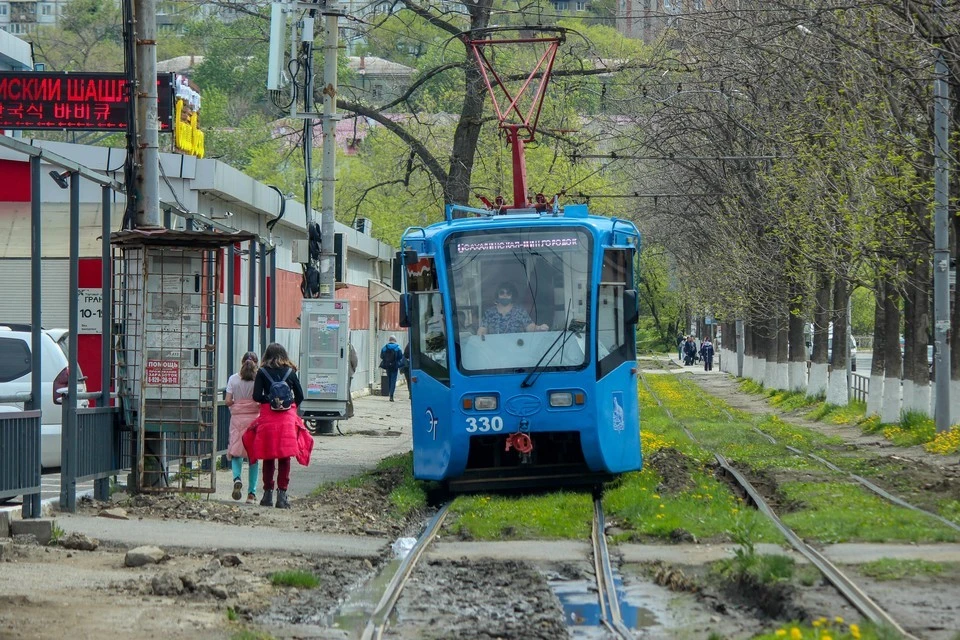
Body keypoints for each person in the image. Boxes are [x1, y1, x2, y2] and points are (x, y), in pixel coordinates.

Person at [245, 343, 306, 509]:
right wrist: (289, 406)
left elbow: (257, 396)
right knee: (285, 457)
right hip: (287, 420)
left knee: (269, 456)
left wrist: (271, 401)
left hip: (268, 419)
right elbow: (300, 395)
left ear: (266, 355)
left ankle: (267, 495)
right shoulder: (291, 372)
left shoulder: (262, 373)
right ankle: (282, 495)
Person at [225, 352, 261, 504]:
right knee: (253, 455)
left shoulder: (233, 379)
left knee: (236, 451)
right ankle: (251, 494)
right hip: (253, 420)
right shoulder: (258, 380)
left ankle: (237, 478)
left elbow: (227, 401)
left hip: (237, 420)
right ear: (256, 363)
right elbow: (260, 400)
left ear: (242, 362)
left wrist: (237, 405)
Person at [477, 282, 548, 336]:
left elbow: (529, 326)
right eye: (502, 293)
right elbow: (483, 329)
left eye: (508, 293)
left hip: (516, 348)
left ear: (512, 295)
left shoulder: (520, 311)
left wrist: (539, 328)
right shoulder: (489, 313)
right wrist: (480, 334)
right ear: (497, 295)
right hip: (494, 350)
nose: (505, 295)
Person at [380, 336, 404, 402]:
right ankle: (391, 395)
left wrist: (387, 360)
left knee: (389, 379)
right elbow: (400, 356)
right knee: (393, 380)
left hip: (387, 366)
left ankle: (389, 392)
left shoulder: (385, 347)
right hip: (395, 366)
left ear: (389, 340)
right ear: (395, 340)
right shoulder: (398, 347)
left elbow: (381, 356)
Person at [345, 341, 358, 418]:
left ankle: (349, 411)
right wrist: (353, 369)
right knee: (347, 392)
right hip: (348, 373)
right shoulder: (349, 346)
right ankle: (349, 411)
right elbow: (354, 359)